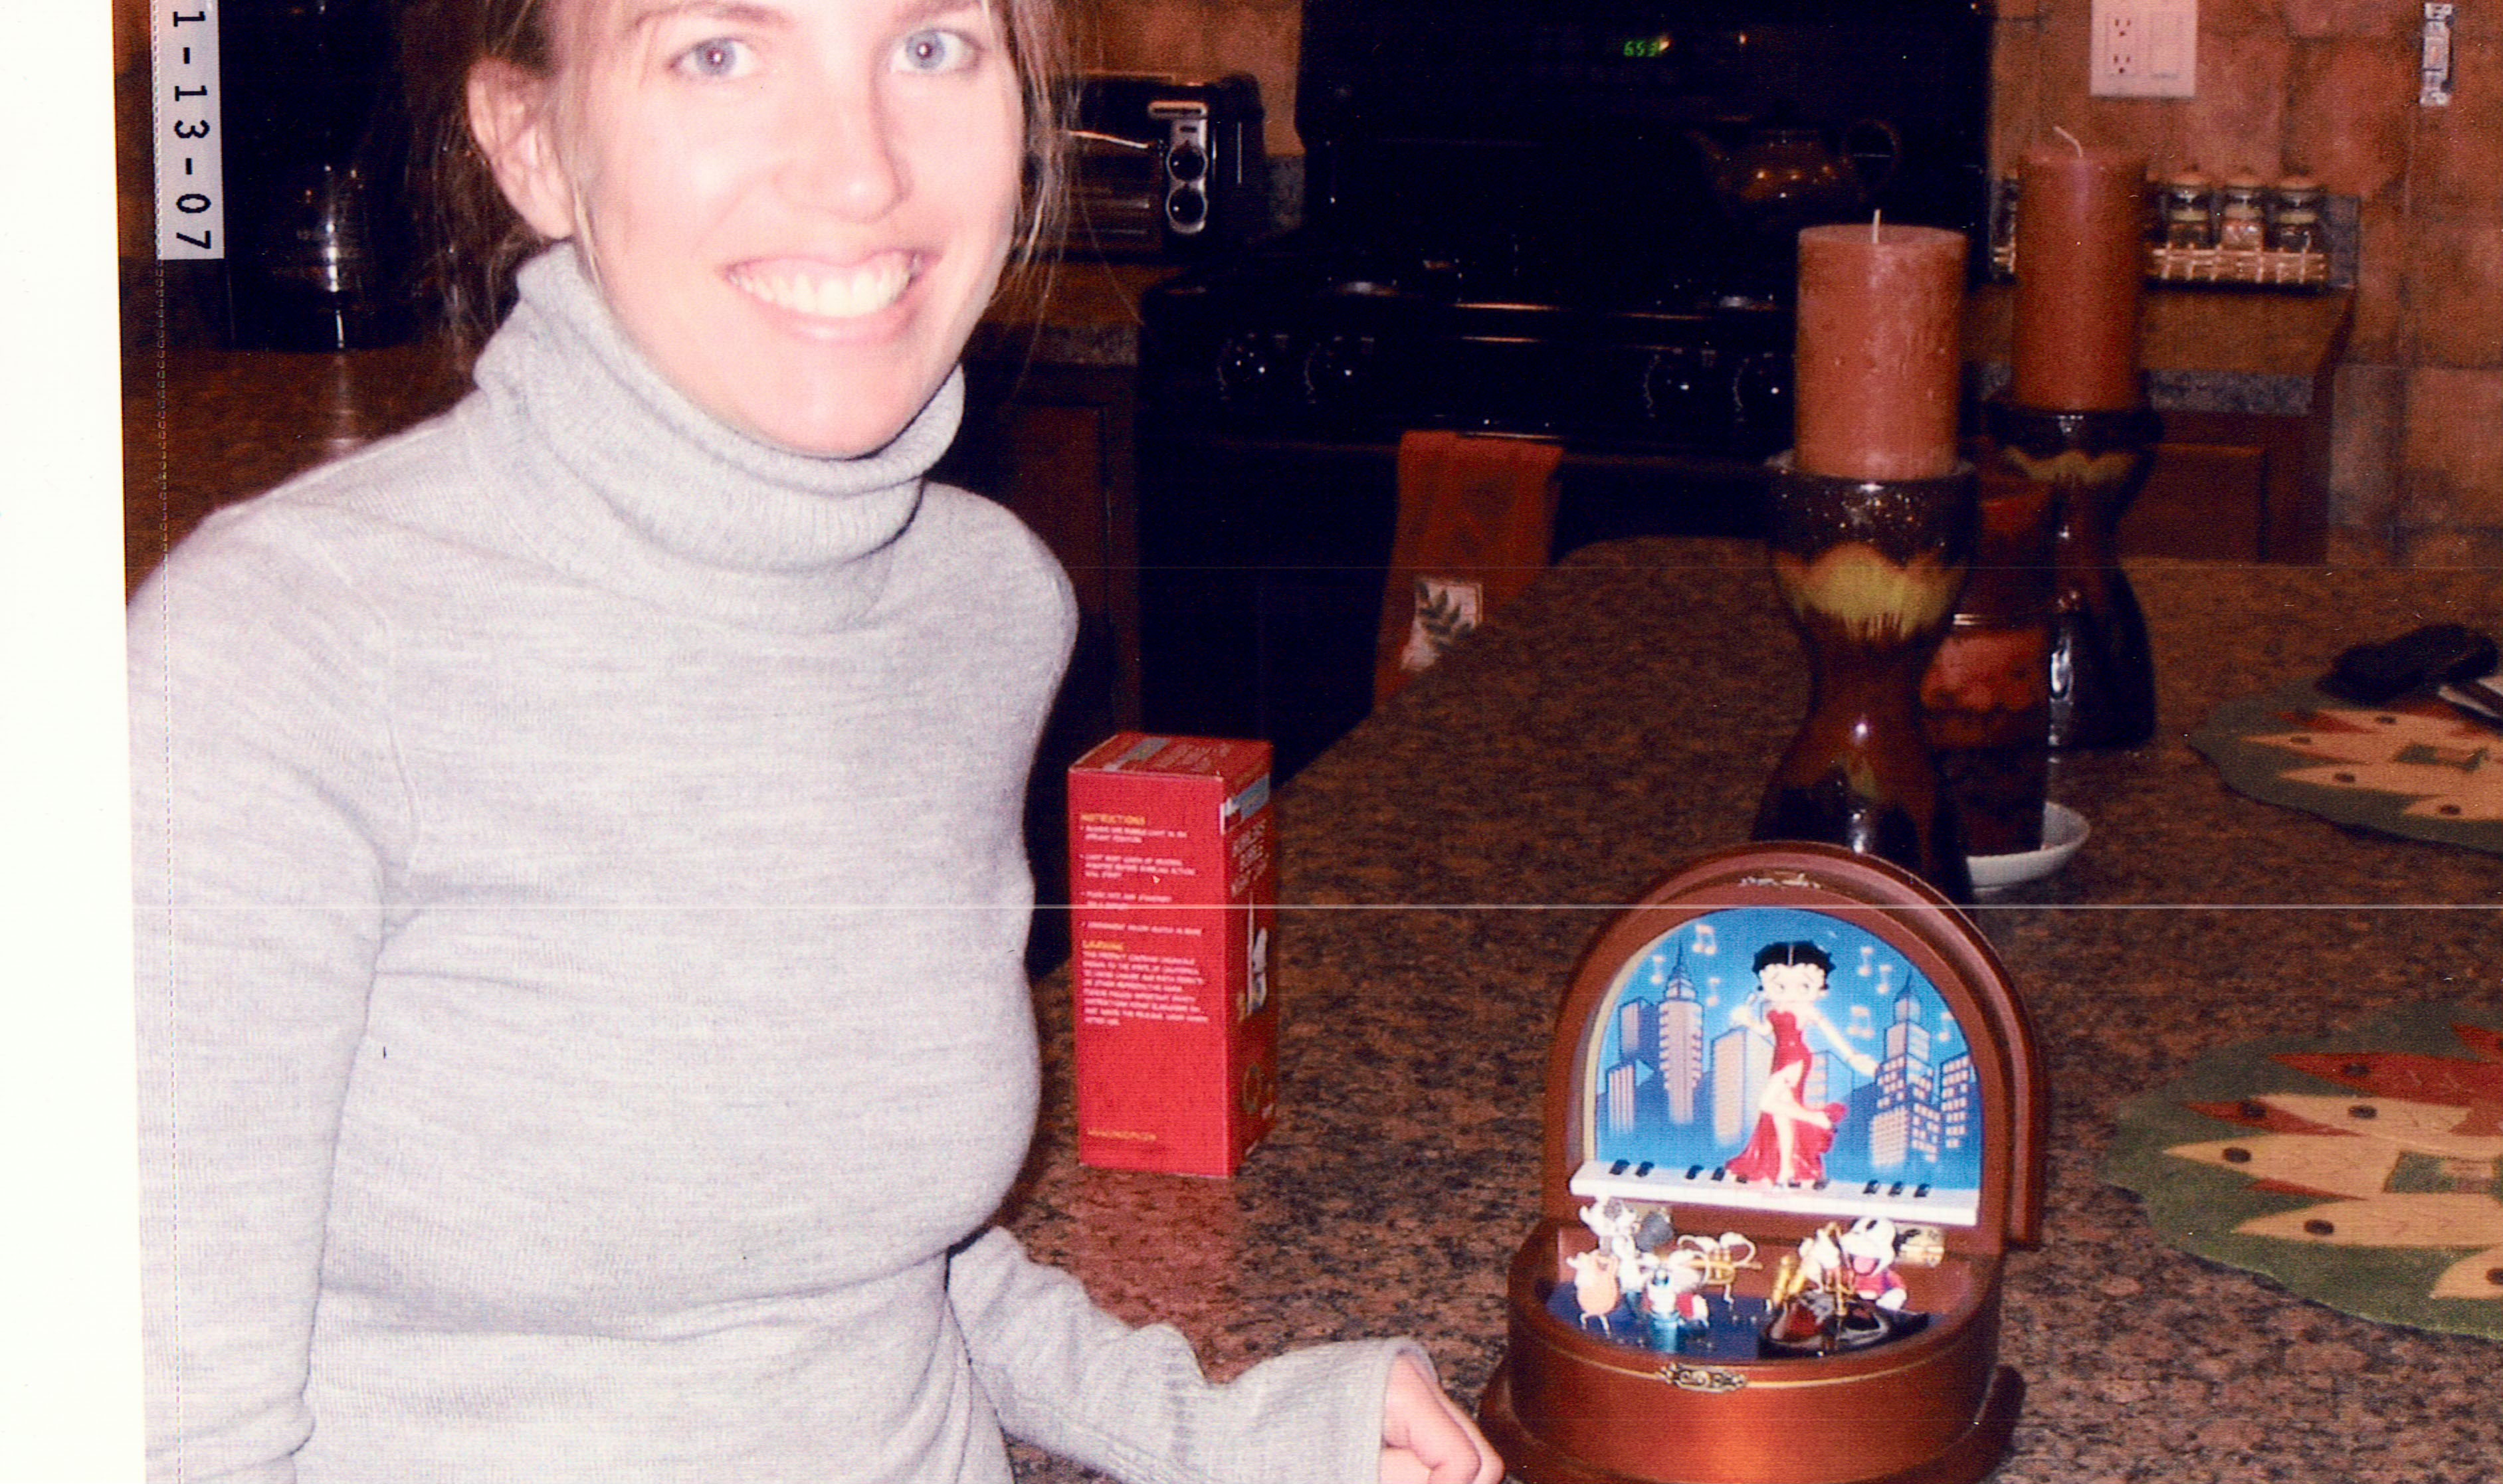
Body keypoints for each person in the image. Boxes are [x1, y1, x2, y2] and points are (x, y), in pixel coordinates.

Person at [127, 0, 1504, 1479]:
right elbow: (170, 1426)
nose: (859, 170)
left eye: (930, 47)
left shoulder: (978, 607)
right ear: (531, 142)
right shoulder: (283, 653)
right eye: (718, 52)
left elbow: (866, 1244)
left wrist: (1223, 1431)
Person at [1723, 941, 1876, 1186]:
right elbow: (1765, 1030)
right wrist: (1747, 1020)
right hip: (1780, 1058)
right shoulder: (1771, 1008)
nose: (1790, 992)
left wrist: (1851, 1056)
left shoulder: (1806, 1009)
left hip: (1795, 1058)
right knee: (1780, 1118)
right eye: (1780, 986)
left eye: (1804, 986)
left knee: (1766, 1103)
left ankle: (1819, 1119)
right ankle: (1786, 1171)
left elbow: (1830, 1031)